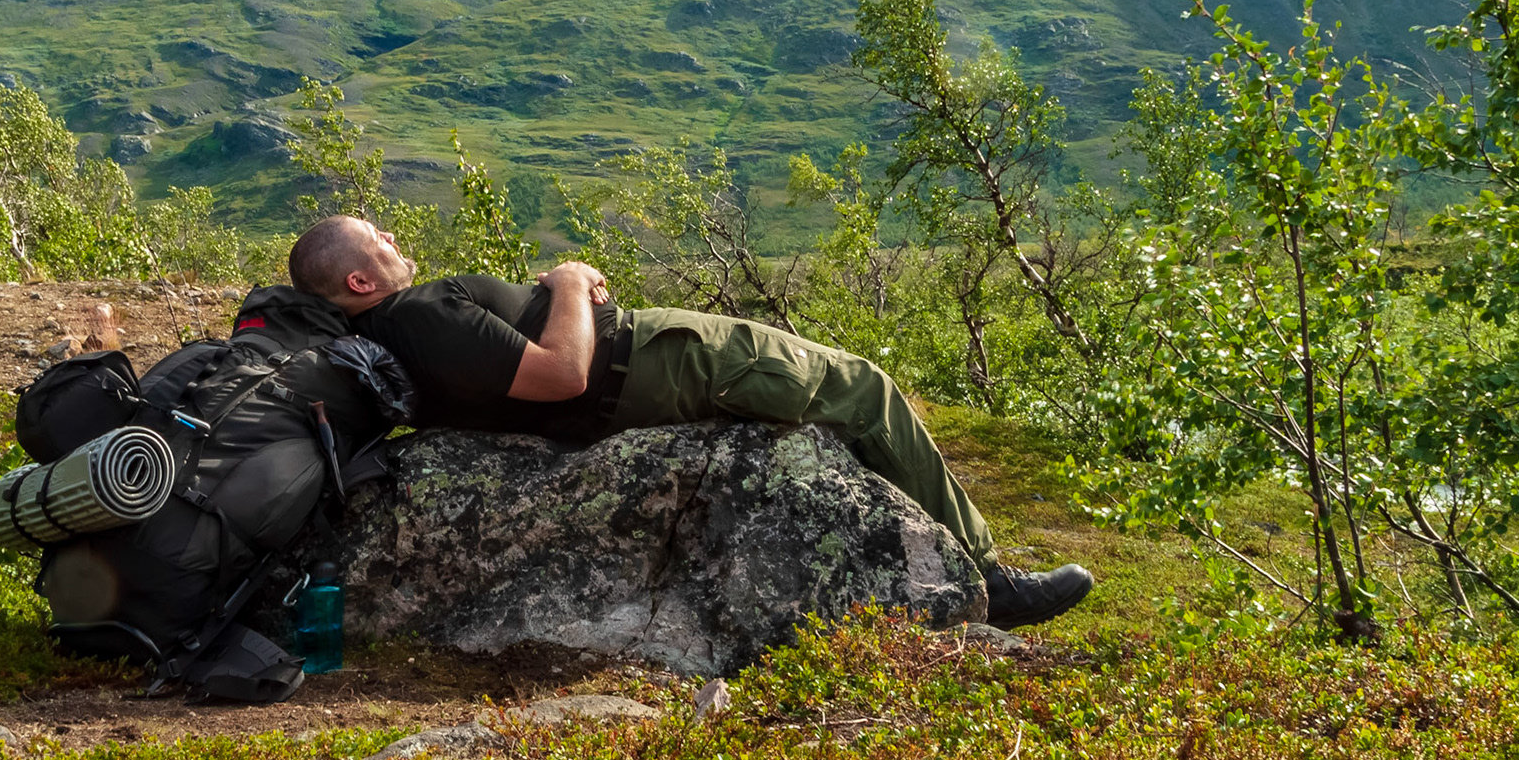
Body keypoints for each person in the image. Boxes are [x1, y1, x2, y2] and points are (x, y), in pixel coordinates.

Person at [285, 215, 1094, 628]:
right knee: (862, 389)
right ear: (360, 279)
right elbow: (562, 373)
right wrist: (569, 281)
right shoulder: (419, 315)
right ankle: (988, 579)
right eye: (379, 240)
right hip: (656, 361)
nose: (395, 239)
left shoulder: (382, 333)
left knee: (849, 394)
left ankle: (942, 558)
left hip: (636, 370)